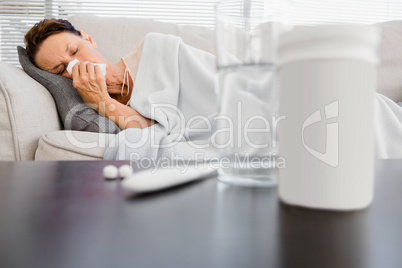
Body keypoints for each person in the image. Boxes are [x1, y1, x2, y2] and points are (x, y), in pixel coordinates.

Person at [24, 18, 155, 130]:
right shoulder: (92, 110)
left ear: (89, 39)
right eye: (61, 70)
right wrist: (101, 101)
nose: (77, 65)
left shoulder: (152, 49)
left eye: (74, 51)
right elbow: (153, 132)